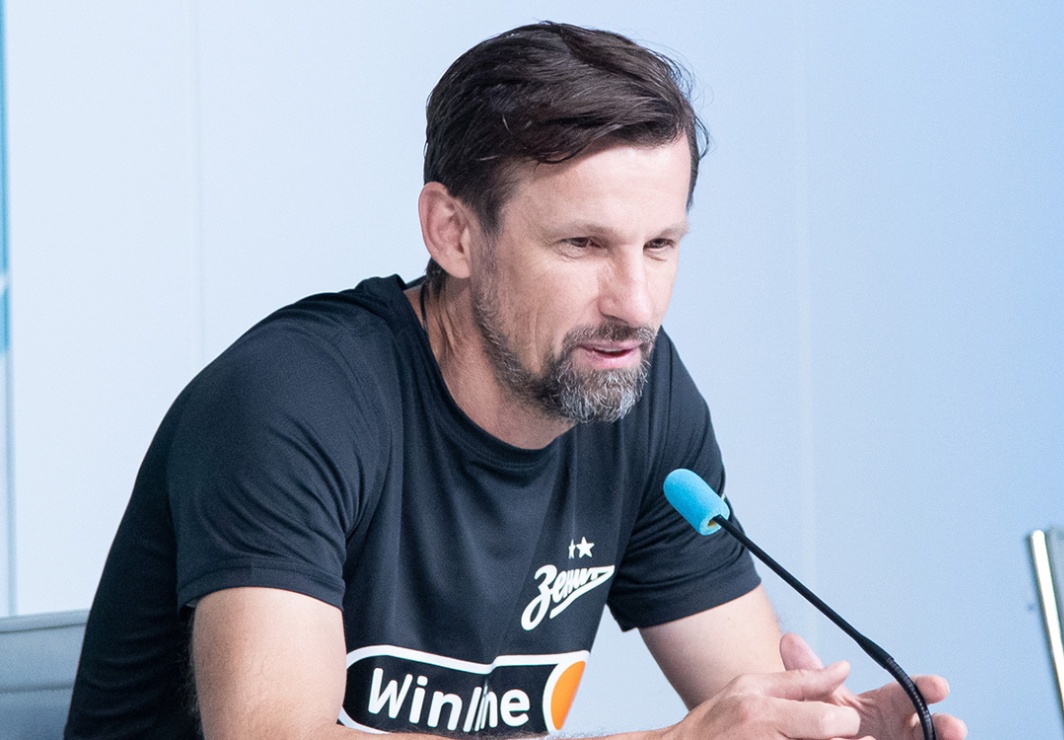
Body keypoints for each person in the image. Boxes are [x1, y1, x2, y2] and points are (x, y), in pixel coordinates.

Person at [65, 22, 967, 740]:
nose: (635, 304)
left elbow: (746, 703)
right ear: (453, 233)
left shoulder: (636, 394)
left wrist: (824, 730)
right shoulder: (293, 400)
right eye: (583, 245)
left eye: (660, 245)